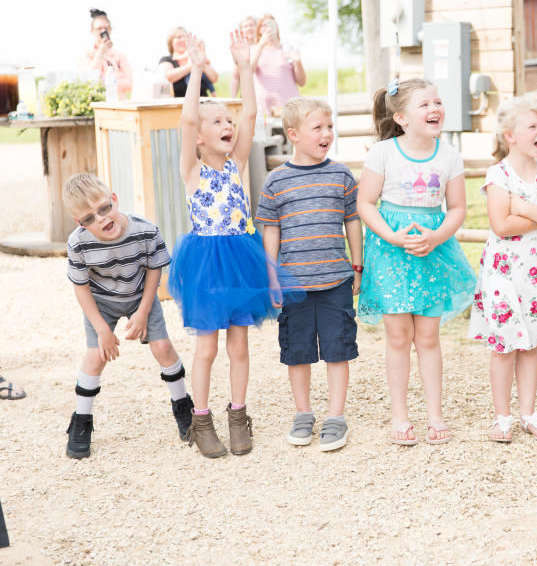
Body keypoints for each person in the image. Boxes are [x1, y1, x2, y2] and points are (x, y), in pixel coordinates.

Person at [167, 30, 301, 459]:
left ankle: (238, 414)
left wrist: (245, 67)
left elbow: (249, 118)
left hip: (241, 256)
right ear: (201, 138)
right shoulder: (192, 169)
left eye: (227, 121)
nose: (227, 126)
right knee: (206, 347)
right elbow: (188, 120)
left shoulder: (238, 163)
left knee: (239, 344)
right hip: (206, 260)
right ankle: (200, 420)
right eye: (216, 122)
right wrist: (196, 71)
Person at [356, 77, 476, 445]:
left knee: (428, 335)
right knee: (398, 335)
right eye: (425, 104)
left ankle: (436, 416)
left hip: (432, 251)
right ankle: (399, 416)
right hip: (391, 251)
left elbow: (457, 208)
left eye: (437, 102)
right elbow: (365, 204)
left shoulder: (449, 154)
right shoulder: (384, 153)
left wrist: (437, 236)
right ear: (403, 118)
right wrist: (390, 236)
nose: (435, 109)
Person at [61, 173, 193, 459]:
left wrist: (143, 311)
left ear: (115, 200)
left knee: (163, 348)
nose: (100, 219)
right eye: (88, 219)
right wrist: (102, 329)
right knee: (95, 356)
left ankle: (182, 403)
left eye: (104, 208)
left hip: (140, 295)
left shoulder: (145, 230)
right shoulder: (78, 243)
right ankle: (82, 421)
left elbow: (154, 269)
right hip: (102, 303)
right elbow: (81, 288)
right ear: (79, 223)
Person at [256, 96, 362, 450]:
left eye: (330, 126)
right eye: (317, 127)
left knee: (338, 349)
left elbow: (352, 222)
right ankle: (303, 413)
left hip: (336, 280)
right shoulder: (276, 181)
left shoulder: (341, 174)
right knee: (297, 351)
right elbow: (270, 230)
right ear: (294, 134)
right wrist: (271, 276)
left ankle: (336, 417)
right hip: (293, 284)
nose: (326, 133)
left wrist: (357, 265)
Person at [468, 97, 537, 443]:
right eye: (533, 126)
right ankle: (502, 418)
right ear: (510, 136)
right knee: (504, 346)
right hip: (502, 273)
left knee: (529, 345)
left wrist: (523, 206)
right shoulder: (498, 174)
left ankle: (529, 413)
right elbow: (501, 225)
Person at [251, 14, 306, 117]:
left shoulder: (288, 48)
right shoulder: (255, 49)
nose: (268, 27)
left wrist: (298, 62)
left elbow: (302, 82)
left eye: (271, 24)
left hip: (291, 108)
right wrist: (261, 45)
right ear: (259, 30)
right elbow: (249, 71)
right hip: (266, 109)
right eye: (263, 25)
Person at [81, 8, 132, 100]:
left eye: (106, 28)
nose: (103, 31)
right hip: (95, 102)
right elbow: (88, 79)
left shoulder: (119, 55)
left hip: (119, 102)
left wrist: (106, 83)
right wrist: (100, 53)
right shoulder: (87, 54)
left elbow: (129, 83)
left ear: (110, 30)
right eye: (99, 28)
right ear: (92, 31)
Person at [159, 27, 219, 97]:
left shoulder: (196, 56)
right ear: (171, 42)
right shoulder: (167, 59)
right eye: (179, 37)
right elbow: (168, 76)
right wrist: (194, 64)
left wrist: (201, 60)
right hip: (179, 105)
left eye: (185, 37)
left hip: (204, 103)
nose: (183, 39)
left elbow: (214, 78)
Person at [230, 16, 259, 97]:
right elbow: (235, 78)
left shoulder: (264, 47)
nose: (249, 28)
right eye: (245, 26)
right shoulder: (239, 50)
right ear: (241, 30)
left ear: (257, 28)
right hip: (248, 95)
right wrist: (233, 98)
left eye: (252, 25)